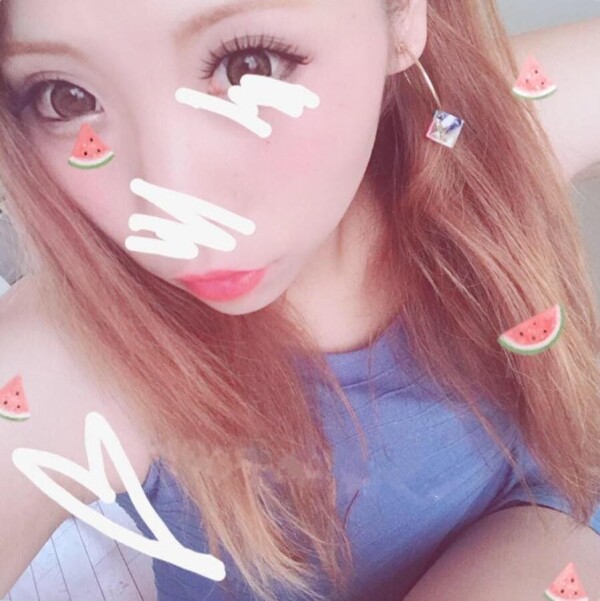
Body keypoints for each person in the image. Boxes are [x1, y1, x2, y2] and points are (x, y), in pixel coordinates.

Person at [1, 0, 600, 599]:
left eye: (249, 67)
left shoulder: (477, 138)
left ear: (402, 17)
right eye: (65, 99)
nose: (173, 204)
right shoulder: (74, 358)